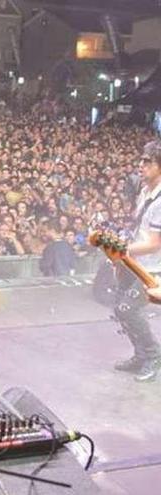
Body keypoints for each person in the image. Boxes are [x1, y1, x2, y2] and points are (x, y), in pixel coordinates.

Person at [113, 140, 161, 382]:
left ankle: (153, 356)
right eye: (141, 160)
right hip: (136, 262)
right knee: (119, 309)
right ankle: (140, 355)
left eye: (148, 162)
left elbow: (154, 242)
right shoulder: (145, 192)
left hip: (154, 269)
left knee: (127, 309)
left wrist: (122, 250)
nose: (141, 166)